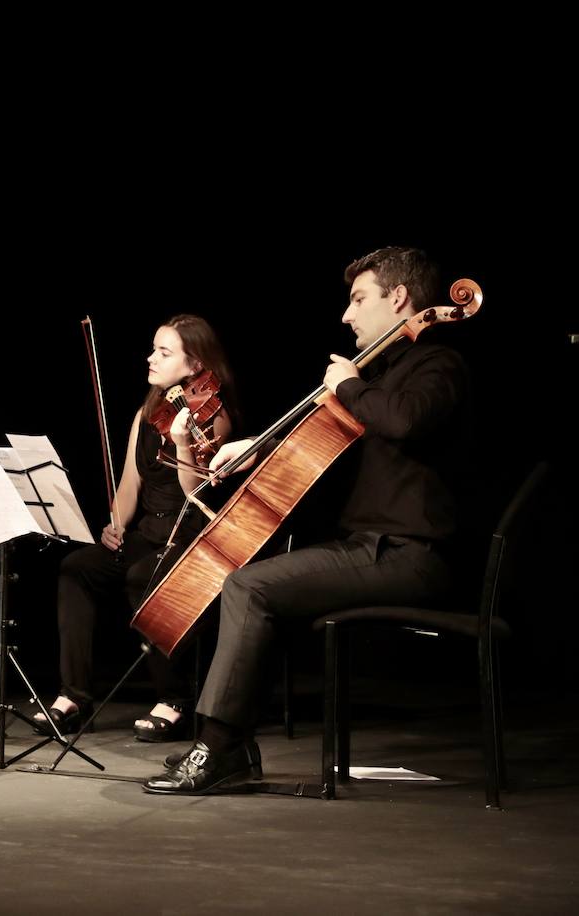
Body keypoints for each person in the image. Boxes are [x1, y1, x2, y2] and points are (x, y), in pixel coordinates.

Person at [144, 246, 471, 795]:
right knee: (259, 582)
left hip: (410, 555)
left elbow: (405, 420)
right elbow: (320, 449)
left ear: (400, 298)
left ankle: (221, 748)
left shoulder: (440, 364)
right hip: (368, 548)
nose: (346, 314)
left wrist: (347, 386)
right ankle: (235, 749)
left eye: (358, 299)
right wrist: (254, 447)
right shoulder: (381, 373)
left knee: (249, 586)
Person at [31, 315, 237, 741]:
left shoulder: (215, 419)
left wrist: (183, 442)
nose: (151, 358)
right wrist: (115, 523)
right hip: (146, 535)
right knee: (78, 566)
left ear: (195, 365)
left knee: (145, 577)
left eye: (164, 352)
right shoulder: (147, 414)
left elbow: (198, 490)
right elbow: (130, 483)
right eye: (153, 349)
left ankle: (175, 697)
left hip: (189, 540)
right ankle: (75, 695)